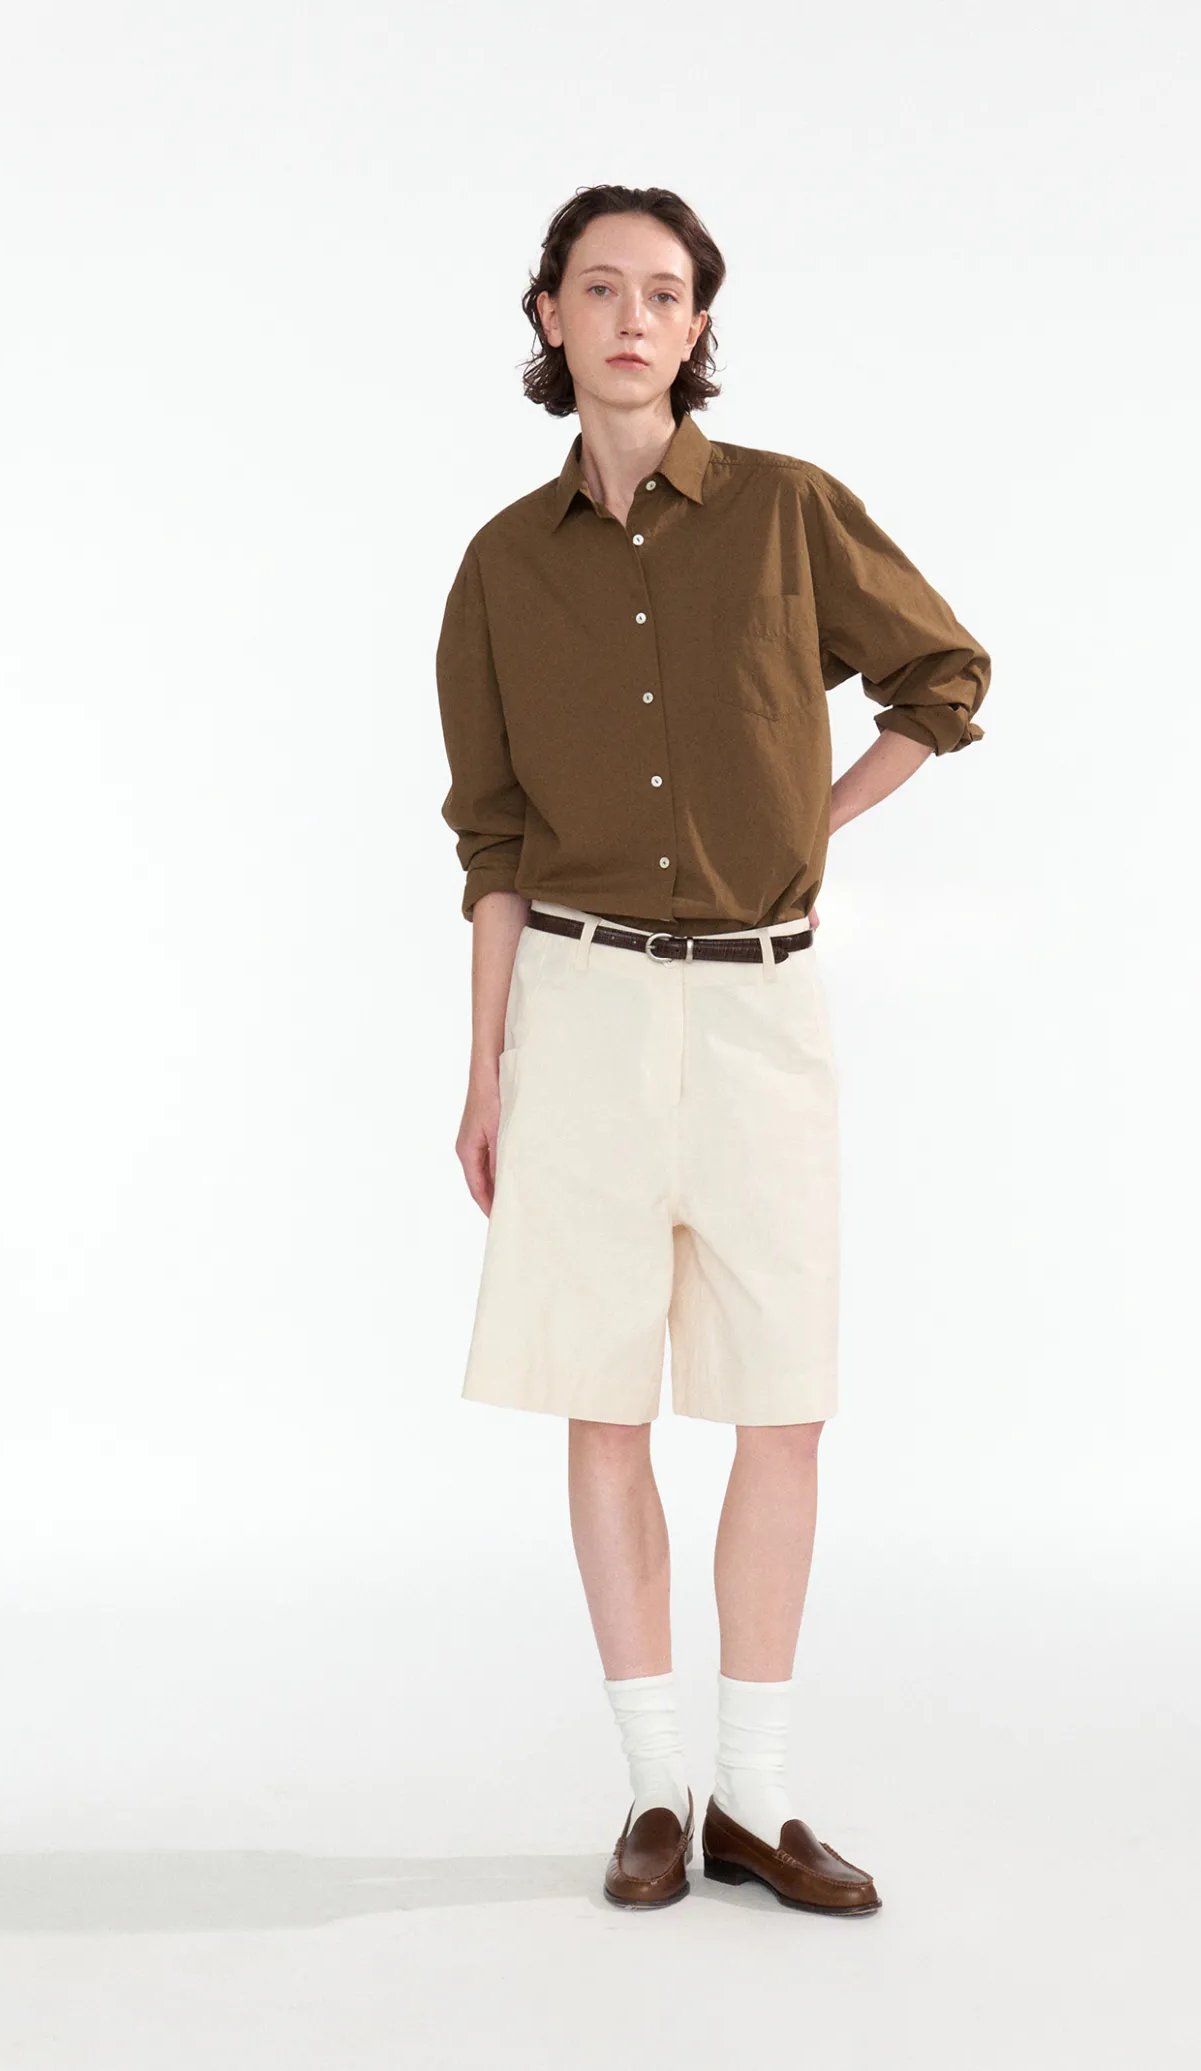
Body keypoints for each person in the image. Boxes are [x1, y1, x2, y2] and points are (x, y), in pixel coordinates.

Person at [434, 183, 990, 1915]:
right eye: (599, 287)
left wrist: (808, 821)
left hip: (760, 1008)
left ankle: (756, 1794)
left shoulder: (787, 512)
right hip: (582, 1009)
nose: (631, 317)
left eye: (663, 292)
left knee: (782, 1405)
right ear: (549, 316)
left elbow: (943, 676)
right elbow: (494, 843)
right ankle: (652, 1794)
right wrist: (484, 1071)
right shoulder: (501, 568)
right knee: (604, 1406)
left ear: (695, 327)